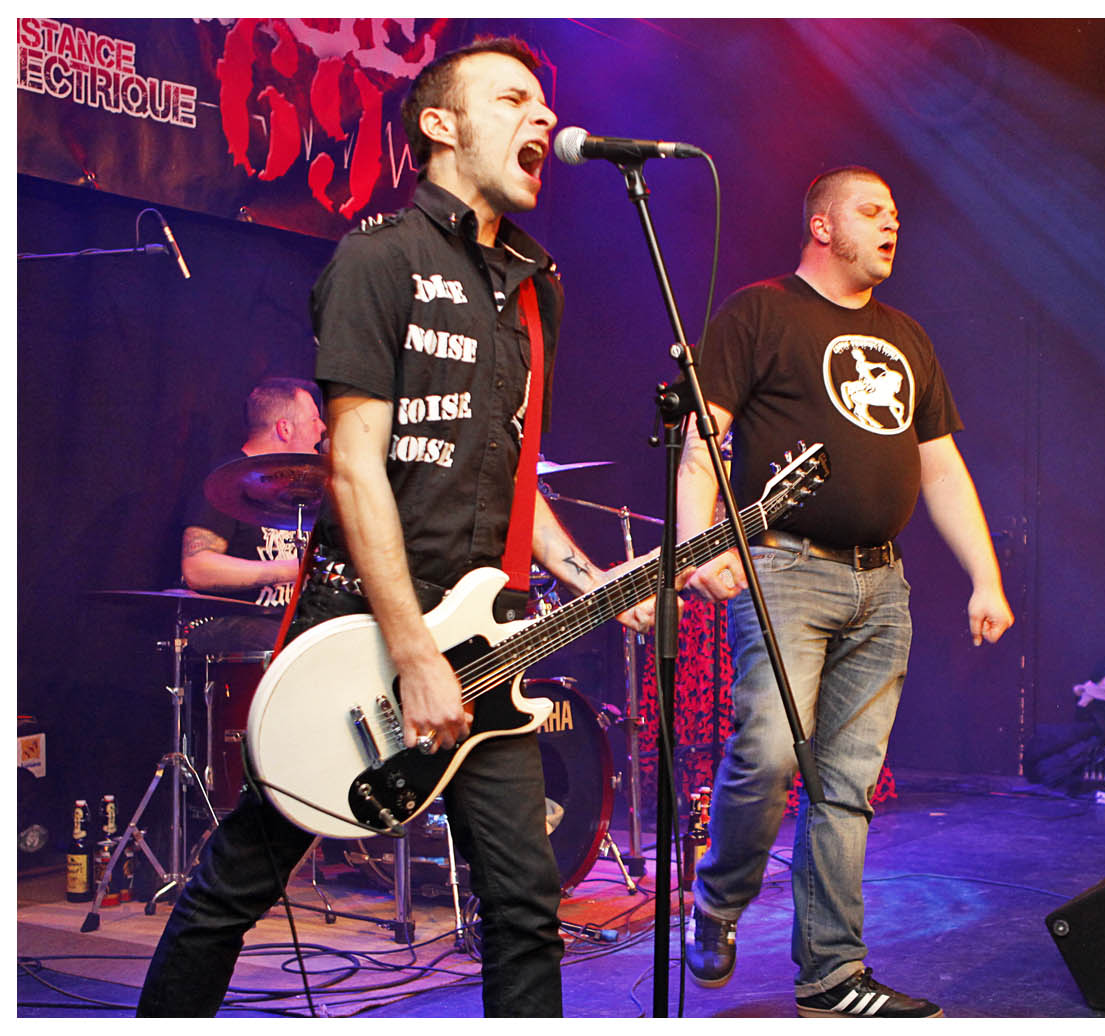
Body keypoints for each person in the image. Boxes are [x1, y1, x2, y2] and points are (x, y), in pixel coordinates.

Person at [137, 36, 651, 1017]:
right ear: (439, 125)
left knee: (523, 905)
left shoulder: (533, 285)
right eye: (512, 100)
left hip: (485, 641)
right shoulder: (378, 259)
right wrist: (412, 651)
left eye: (542, 103)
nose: (543, 117)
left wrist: (589, 579)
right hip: (359, 627)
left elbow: (512, 466)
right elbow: (354, 464)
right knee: (240, 882)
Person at [676, 166, 1014, 1018]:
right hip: (783, 570)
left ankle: (830, 975)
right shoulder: (760, 312)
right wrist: (698, 547)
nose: (890, 223)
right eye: (871, 211)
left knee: (846, 785)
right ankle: (717, 897)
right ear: (822, 226)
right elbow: (702, 440)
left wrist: (984, 575)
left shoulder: (906, 335)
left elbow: (940, 465)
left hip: (881, 584)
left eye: (895, 213)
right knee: (767, 753)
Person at [181, 376, 325, 655]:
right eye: (314, 419)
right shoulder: (227, 481)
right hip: (235, 623)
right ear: (284, 428)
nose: (322, 427)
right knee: (291, 645)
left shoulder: (308, 487)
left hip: (292, 621)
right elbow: (197, 568)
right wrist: (290, 569)